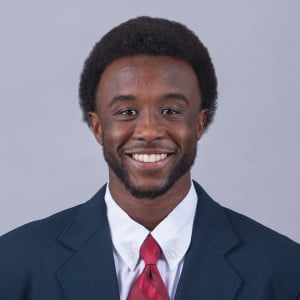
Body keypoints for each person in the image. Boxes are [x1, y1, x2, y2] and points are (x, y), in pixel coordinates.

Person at [0, 16, 299, 300]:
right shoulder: (12, 264)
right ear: (97, 127)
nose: (149, 131)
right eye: (126, 112)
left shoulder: (285, 271)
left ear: (198, 123)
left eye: (170, 111)